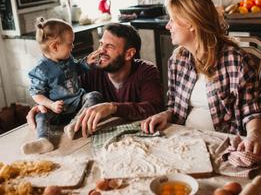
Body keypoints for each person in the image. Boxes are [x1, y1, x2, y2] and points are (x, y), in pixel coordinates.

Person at [141, 0, 261, 157]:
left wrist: (253, 136)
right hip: (182, 142)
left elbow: (252, 112)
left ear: (191, 24)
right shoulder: (178, 60)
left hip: (223, 147)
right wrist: (165, 114)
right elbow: (174, 106)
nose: (167, 26)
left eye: (172, 20)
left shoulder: (236, 61)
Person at [27, 23, 164, 138]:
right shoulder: (91, 71)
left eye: (109, 46)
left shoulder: (147, 71)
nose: (101, 51)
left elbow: (154, 108)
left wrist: (112, 107)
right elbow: (69, 96)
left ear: (129, 54)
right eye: (101, 44)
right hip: (98, 140)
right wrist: (47, 105)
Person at [22, 17, 102, 154]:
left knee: (95, 96)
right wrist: (51, 105)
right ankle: (43, 140)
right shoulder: (41, 69)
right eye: (70, 44)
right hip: (57, 110)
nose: (73, 47)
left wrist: (87, 62)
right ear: (54, 46)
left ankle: (74, 124)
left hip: (78, 104)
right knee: (41, 115)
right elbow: (36, 94)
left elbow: (77, 69)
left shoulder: (68, 58)